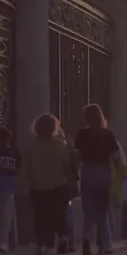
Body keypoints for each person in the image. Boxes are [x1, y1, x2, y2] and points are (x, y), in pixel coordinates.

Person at [75, 104, 119, 255]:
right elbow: (116, 156)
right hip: (103, 172)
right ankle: (104, 245)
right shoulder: (107, 134)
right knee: (102, 210)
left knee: (88, 210)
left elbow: (77, 156)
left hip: (87, 171)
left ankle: (87, 238)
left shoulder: (82, 134)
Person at [23, 114, 70, 255]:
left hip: (37, 187)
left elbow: (24, 169)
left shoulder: (30, 147)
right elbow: (67, 166)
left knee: (40, 217)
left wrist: (22, 185)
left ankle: (40, 243)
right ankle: (52, 244)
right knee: (54, 216)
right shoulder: (60, 147)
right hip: (57, 187)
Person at [0, 128, 21, 253]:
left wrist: (7, 169)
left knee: (6, 215)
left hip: (8, 187)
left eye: (5, 137)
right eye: (1, 137)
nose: (3, 140)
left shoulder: (14, 153)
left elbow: (19, 169)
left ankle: (3, 242)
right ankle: (7, 240)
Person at [56, 130, 79, 253]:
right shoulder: (69, 151)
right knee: (66, 214)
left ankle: (67, 241)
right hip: (65, 187)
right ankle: (69, 242)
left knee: (63, 215)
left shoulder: (62, 151)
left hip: (61, 187)